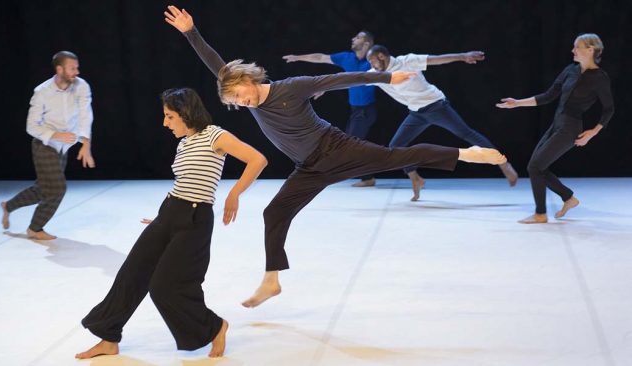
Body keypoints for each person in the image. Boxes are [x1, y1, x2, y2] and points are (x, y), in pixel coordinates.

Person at [165, 5, 506, 308]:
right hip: (309, 167)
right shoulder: (242, 94)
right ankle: (272, 280)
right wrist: (190, 33)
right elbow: (216, 65)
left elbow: (343, 78)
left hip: (336, 148)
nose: (242, 103)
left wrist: (385, 76)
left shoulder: (292, 88)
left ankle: (466, 152)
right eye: (235, 103)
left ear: (247, 79)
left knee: (396, 156)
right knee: (274, 212)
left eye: (240, 95)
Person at [75, 88, 267, 359]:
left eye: (170, 116)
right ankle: (108, 337)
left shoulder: (215, 135)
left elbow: (257, 159)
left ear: (186, 113)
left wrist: (234, 194)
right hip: (169, 212)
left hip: (195, 219)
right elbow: (184, 184)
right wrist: (162, 217)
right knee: (131, 275)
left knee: (164, 286)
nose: (165, 123)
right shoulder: (184, 142)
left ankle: (215, 327)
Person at [366, 45, 518, 201]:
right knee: (395, 147)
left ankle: (503, 164)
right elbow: (354, 78)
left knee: (466, 133)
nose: (371, 65)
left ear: (382, 56)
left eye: (372, 60)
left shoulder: (407, 61)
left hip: (436, 106)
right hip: (417, 113)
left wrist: (463, 55)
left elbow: (436, 59)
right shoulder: (375, 75)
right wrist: (338, 81)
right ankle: (415, 178)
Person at [496, 33, 614, 224]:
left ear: (590, 50)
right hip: (557, 124)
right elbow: (548, 95)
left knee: (535, 167)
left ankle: (541, 214)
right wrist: (517, 103)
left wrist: (593, 132)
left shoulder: (600, 78)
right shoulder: (570, 70)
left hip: (570, 128)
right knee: (536, 167)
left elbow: (609, 109)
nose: (573, 50)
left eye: (577, 47)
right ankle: (568, 198)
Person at [0, 51, 95, 240]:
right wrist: (56, 135)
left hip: (64, 146)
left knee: (44, 190)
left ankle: (8, 206)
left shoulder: (81, 86)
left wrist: (86, 144)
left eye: (77, 67)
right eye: (72, 68)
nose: (76, 71)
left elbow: (86, 114)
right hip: (45, 144)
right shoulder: (42, 91)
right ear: (59, 69)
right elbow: (31, 125)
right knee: (58, 189)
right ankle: (35, 228)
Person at [283, 30, 378, 187]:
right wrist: (298, 57)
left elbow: (370, 77)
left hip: (366, 110)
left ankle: (360, 175)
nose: (353, 39)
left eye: (358, 37)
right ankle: (368, 176)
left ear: (367, 44)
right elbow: (321, 57)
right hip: (356, 110)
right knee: (355, 143)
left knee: (352, 143)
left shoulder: (373, 60)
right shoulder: (346, 57)